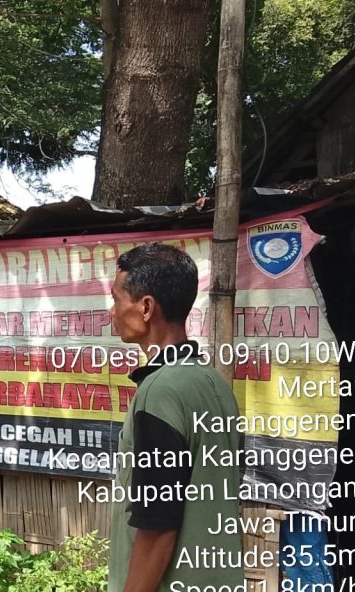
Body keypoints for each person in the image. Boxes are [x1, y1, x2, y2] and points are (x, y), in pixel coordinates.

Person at [107, 243, 243, 592]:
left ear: (146, 307)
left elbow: (157, 526)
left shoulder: (159, 393)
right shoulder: (212, 383)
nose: (112, 311)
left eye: (117, 298)